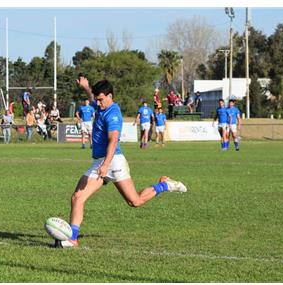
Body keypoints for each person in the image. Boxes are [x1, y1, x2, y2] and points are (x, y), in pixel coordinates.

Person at [58, 75, 188, 248]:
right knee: (77, 197)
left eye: (101, 99)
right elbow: (94, 97)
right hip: (100, 162)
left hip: (113, 162)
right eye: (97, 99)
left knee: (135, 202)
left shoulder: (113, 114)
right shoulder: (102, 104)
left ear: (110, 96)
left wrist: (105, 165)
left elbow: (113, 141)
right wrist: (86, 87)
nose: (98, 102)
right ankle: (72, 238)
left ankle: (164, 185)